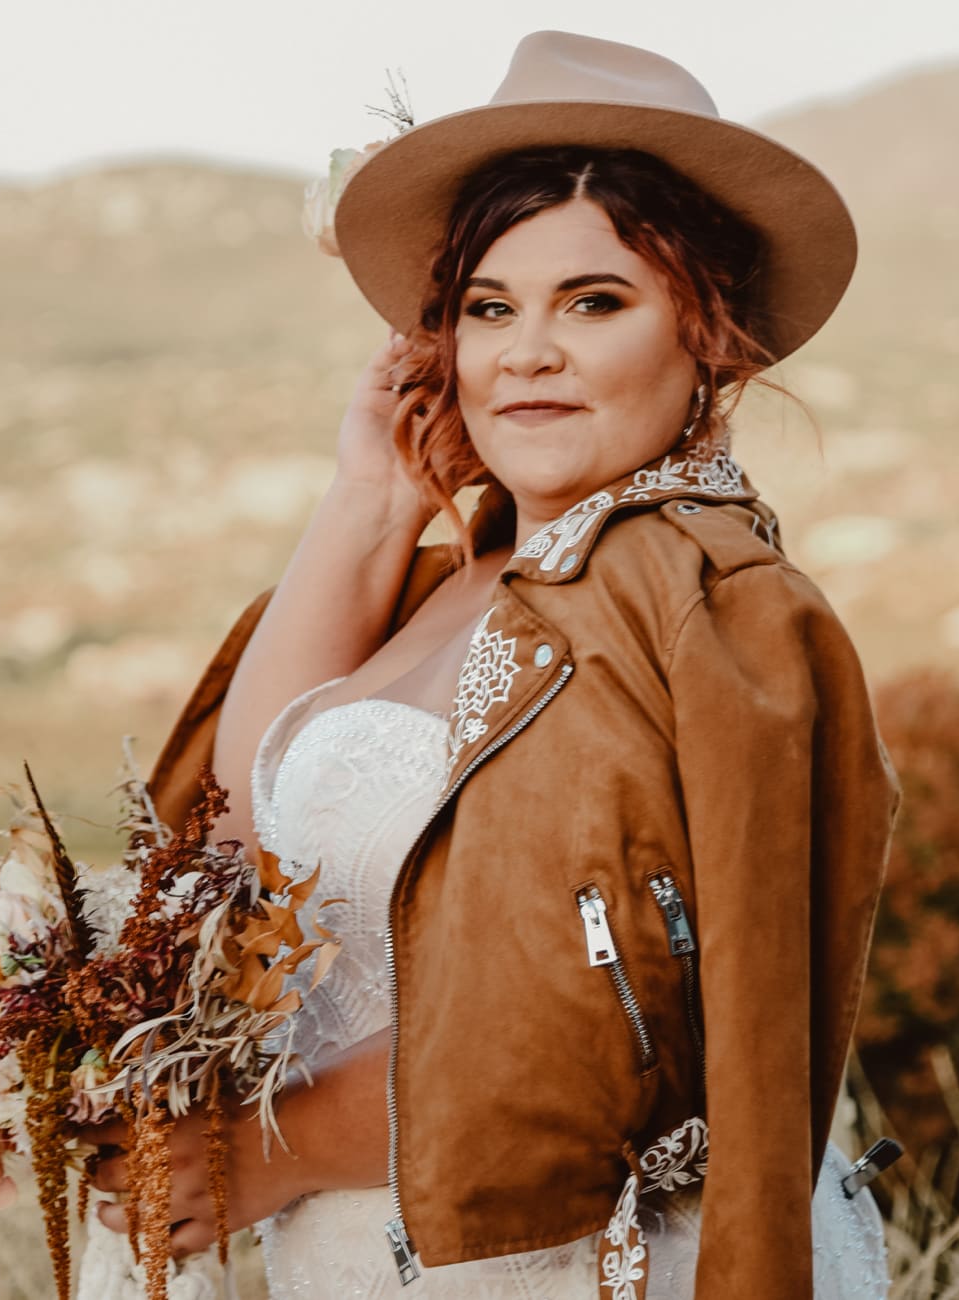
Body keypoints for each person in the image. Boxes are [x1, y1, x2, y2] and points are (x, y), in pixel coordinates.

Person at [79, 31, 897, 1298]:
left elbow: (624, 1024)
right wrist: (370, 494)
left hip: (579, 1262)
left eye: (594, 302)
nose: (525, 352)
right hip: (361, 1254)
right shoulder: (441, 587)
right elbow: (231, 840)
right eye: (487, 308)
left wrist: (266, 1149)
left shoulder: (703, 600)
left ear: (708, 336)